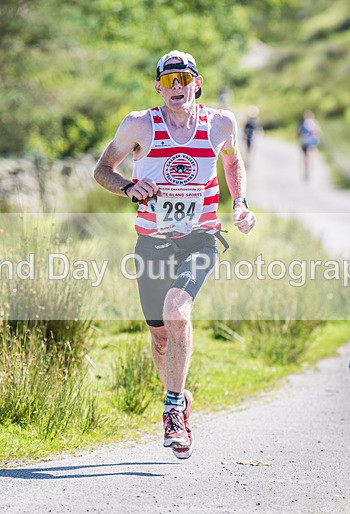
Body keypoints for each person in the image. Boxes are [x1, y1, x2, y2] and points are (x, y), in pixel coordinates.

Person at [94, 50, 257, 460]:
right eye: (169, 81)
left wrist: (240, 204)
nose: (177, 87)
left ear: (197, 84)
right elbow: (102, 170)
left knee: (177, 311)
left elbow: (233, 161)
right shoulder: (139, 125)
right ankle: (180, 396)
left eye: (184, 79)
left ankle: (171, 412)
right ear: (158, 87)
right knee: (160, 337)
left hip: (200, 238)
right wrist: (128, 187)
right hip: (152, 242)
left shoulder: (221, 123)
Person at [297, 110, 321, 181]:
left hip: (304, 142)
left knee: (305, 157)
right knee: (311, 155)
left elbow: (298, 133)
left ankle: (307, 170)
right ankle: (311, 167)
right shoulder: (314, 123)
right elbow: (318, 132)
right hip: (312, 142)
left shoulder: (302, 124)